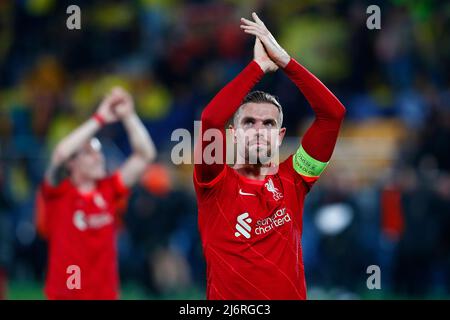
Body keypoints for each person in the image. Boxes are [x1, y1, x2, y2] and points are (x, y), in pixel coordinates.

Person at [193, 13, 346, 299]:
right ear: (233, 134)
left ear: (280, 135)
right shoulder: (212, 183)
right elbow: (211, 120)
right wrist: (258, 67)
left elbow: (332, 115)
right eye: (248, 123)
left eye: (269, 124)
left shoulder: (295, 178)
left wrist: (286, 62)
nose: (259, 131)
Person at [38, 87, 156, 299]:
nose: (99, 157)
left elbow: (145, 155)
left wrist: (129, 116)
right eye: (89, 153)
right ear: (72, 164)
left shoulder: (108, 188)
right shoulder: (59, 193)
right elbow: (59, 154)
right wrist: (100, 118)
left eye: (98, 152)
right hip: (66, 295)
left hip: (105, 294)